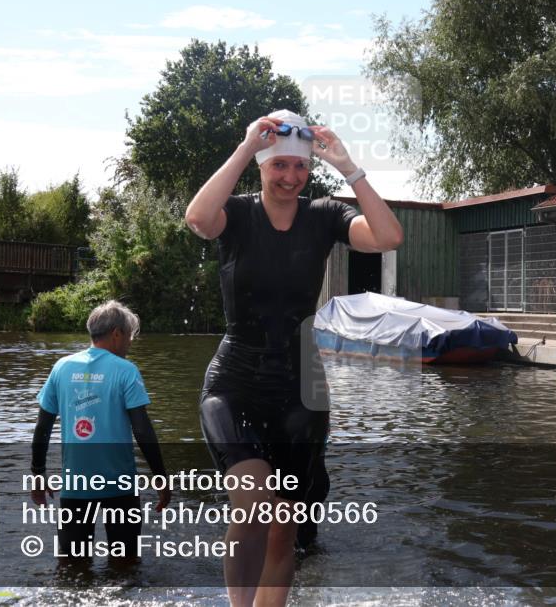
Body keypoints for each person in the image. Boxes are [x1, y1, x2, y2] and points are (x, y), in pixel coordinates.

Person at [184, 109, 403, 606]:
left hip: (301, 389)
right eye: (278, 165)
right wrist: (243, 148)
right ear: (262, 165)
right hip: (234, 382)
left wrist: (350, 169)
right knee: (252, 506)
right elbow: (198, 220)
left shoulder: (325, 215)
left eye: (299, 167)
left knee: (283, 526)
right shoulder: (237, 215)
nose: (289, 176)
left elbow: (389, 238)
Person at [30, 300, 171, 566]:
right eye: (129, 336)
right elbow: (142, 429)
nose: (130, 343)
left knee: (72, 568)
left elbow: (43, 427)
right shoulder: (126, 371)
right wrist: (161, 478)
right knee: (126, 565)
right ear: (117, 334)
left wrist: (38, 474)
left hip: (75, 488)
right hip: (119, 487)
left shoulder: (62, 367)